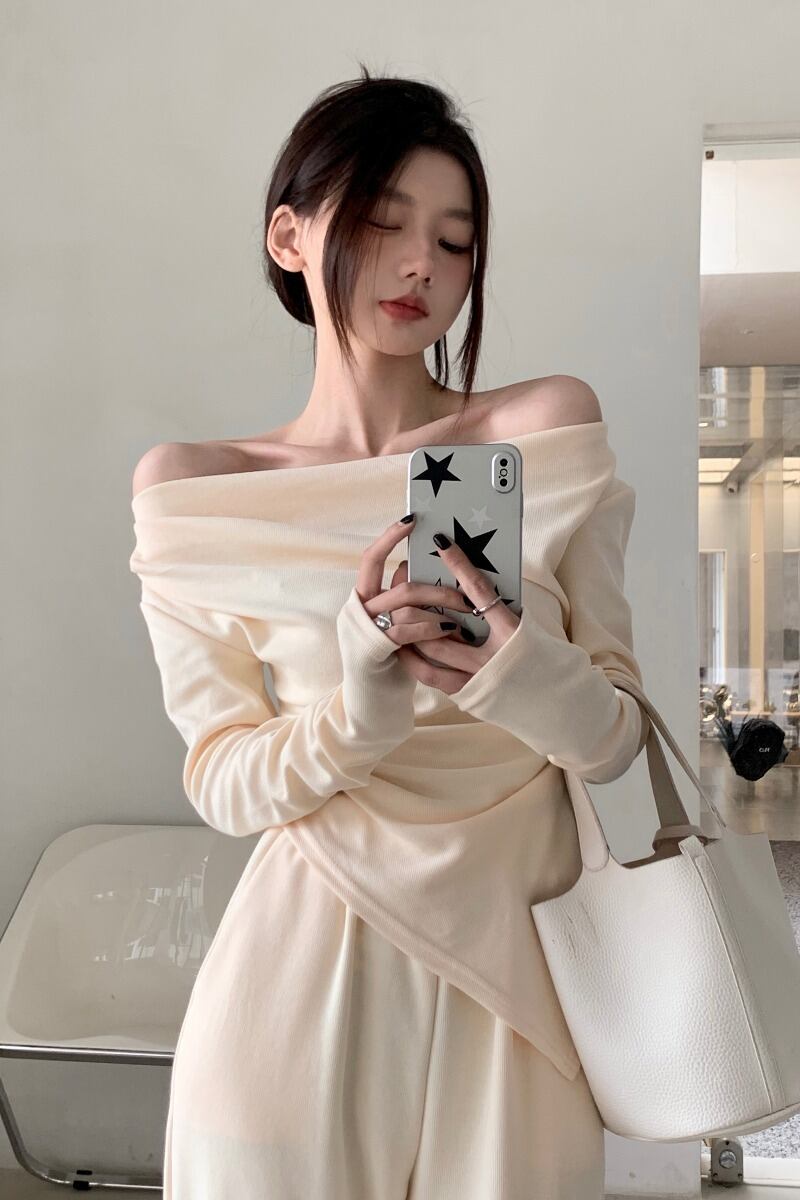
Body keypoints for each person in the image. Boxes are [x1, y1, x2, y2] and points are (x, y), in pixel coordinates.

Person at [130, 64, 647, 1199]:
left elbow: (622, 744)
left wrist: (517, 671)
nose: (422, 265)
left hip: (518, 988)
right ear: (288, 237)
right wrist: (361, 706)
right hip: (296, 986)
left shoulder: (541, 430)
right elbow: (223, 782)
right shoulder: (198, 490)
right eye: (381, 221)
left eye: (454, 242)